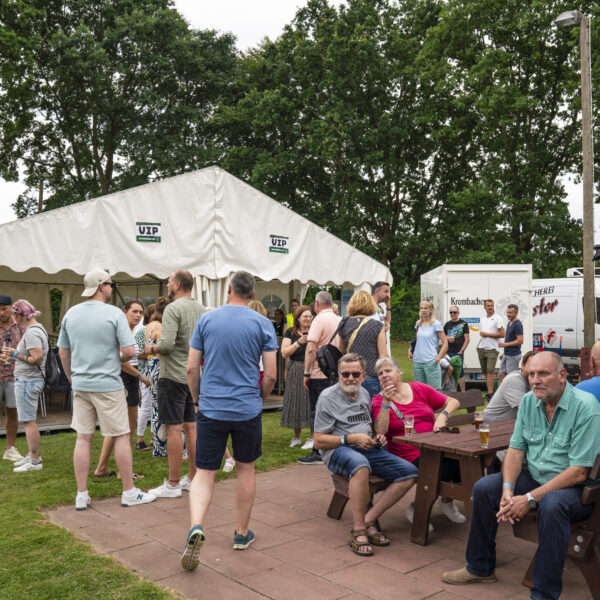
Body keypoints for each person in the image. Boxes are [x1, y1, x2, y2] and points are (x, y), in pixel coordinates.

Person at [442, 352, 600, 600]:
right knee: (485, 488)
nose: (535, 380)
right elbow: (516, 450)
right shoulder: (529, 401)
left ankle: (544, 594)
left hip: (576, 490)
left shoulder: (585, 407)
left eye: (543, 374)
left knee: (551, 505)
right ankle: (480, 567)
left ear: (562, 375)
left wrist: (528, 499)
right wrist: (508, 488)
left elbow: (578, 471)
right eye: (532, 374)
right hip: (537, 477)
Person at [180, 270, 278, 571]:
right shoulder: (262, 323)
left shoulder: (206, 320)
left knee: (205, 472)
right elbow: (271, 374)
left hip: (211, 407)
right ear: (252, 294)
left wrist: (197, 400)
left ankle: (196, 525)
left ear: (229, 290)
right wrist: (260, 398)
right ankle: (241, 533)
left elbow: (191, 368)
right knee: (245, 468)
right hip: (247, 408)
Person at [57, 269, 156, 509]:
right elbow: (129, 352)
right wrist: (114, 355)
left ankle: (81, 495)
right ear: (102, 286)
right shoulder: (114, 313)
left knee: (83, 437)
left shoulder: (71, 313)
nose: (112, 288)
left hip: (81, 384)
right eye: (111, 284)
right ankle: (129, 492)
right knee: (121, 435)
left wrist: (71, 379)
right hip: (108, 384)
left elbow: (63, 352)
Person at [313, 353, 418, 556]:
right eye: (345, 374)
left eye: (355, 374)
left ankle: (370, 518)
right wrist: (350, 439)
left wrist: (377, 437)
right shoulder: (327, 397)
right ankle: (359, 529)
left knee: (410, 472)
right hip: (337, 450)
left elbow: (374, 428)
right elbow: (318, 441)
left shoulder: (364, 393)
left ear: (363, 376)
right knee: (360, 465)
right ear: (338, 374)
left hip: (366, 447)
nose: (350, 378)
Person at [372, 357, 465, 526]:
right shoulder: (379, 400)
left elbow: (453, 402)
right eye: (380, 373)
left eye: (388, 370)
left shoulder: (418, 388)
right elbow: (381, 430)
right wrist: (386, 401)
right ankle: (417, 508)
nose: (384, 375)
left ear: (399, 372)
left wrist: (442, 416)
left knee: (462, 460)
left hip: (432, 447)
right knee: (442, 465)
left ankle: (446, 502)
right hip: (406, 455)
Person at [140, 270, 207, 499]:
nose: (167, 284)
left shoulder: (172, 309)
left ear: (177, 284)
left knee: (174, 428)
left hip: (172, 376)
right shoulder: (201, 309)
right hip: (193, 375)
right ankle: (193, 477)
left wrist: (150, 348)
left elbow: (166, 345)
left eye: (169, 281)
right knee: (192, 427)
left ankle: (173, 483)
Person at [93, 299, 151, 479]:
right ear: (125, 311)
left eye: (140, 312)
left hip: (126, 379)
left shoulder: (128, 331)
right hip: (124, 378)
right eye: (134, 311)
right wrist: (141, 376)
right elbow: (120, 362)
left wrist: (141, 356)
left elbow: (127, 358)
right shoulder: (121, 330)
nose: (138, 315)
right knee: (127, 429)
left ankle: (102, 468)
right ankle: (123, 471)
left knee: (117, 428)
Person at [1, 300, 48, 472]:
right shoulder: (38, 329)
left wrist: (15, 354)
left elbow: (37, 359)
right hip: (30, 380)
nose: (14, 319)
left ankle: (35, 461)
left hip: (28, 380)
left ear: (20, 315)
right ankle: (32, 455)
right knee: (29, 420)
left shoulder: (31, 332)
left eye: (15, 315)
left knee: (29, 422)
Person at [298, 290, 341, 463]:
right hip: (335, 373)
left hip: (318, 372)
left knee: (317, 412)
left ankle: (318, 450)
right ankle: (332, 448)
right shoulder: (339, 319)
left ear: (317, 304)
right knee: (333, 412)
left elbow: (310, 348)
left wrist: (306, 372)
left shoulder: (319, 320)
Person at [338, 291, 387, 399]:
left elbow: (341, 350)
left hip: (350, 375)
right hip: (371, 375)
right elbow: (383, 355)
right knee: (372, 406)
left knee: (350, 405)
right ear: (370, 305)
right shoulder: (377, 325)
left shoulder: (344, 323)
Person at [280, 304, 313, 447]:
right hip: (295, 368)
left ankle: (312, 438)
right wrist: (298, 343)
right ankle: (296, 437)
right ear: (298, 318)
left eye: (310, 316)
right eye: (305, 316)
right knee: (295, 401)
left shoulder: (315, 330)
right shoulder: (290, 332)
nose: (308, 318)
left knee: (311, 402)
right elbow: (284, 353)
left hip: (312, 369)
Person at [0, 294, 24, 462]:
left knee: (12, 412)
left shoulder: (21, 326)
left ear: (10, 308)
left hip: (14, 375)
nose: (1, 313)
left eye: (4, 309)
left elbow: (29, 348)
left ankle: (10, 449)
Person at [484, 350, 535, 422]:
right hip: (493, 424)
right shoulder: (514, 380)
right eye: (532, 365)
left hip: (509, 424)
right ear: (522, 366)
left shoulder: (533, 380)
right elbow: (526, 412)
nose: (535, 369)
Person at [409, 300, 447, 391]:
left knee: (434, 391)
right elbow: (417, 340)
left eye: (426, 308)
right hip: (417, 361)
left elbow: (445, 343)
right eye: (421, 308)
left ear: (431, 310)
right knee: (419, 390)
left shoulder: (436, 324)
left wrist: (438, 358)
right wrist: (410, 349)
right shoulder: (418, 323)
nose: (423, 310)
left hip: (431, 361)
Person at [135, 302, 154, 451]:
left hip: (157, 373)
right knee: (146, 407)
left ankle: (155, 438)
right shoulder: (142, 332)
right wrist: (155, 353)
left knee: (156, 408)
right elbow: (139, 355)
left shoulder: (159, 330)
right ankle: (140, 440)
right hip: (146, 374)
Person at [477, 299, 505, 400]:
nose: (490, 307)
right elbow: (482, 335)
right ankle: (489, 393)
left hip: (492, 348)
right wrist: (479, 345)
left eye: (491, 305)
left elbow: (502, 334)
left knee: (490, 371)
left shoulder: (497, 318)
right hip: (482, 348)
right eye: (488, 306)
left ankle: (490, 393)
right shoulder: (483, 319)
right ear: (484, 307)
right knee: (485, 372)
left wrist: (487, 334)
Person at [443, 306, 470, 392]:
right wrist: (448, 338)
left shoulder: (463, 324)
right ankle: (453, 393)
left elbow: (467, 339)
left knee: (460, 373)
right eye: (451, 312)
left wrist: (461, 351)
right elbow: (443, 338)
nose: (453, 314)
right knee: (450, 373)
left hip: (458, 353)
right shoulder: (447, 324)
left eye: (454, 312)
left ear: (458, 313)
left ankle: (463, 393)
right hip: (448, 353)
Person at [498, 304, 524, 384]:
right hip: (507, 354)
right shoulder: (509, 323)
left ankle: (512, 392)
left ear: (516, 313)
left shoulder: (517, 324)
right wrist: (504, 353)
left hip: (513, 355)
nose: (508, 314)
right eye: (507, 312)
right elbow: (510, 338)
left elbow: (520, 340)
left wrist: (505, 345)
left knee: (511, 378)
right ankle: (500, 392)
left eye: (510, 313)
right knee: (501, 375)